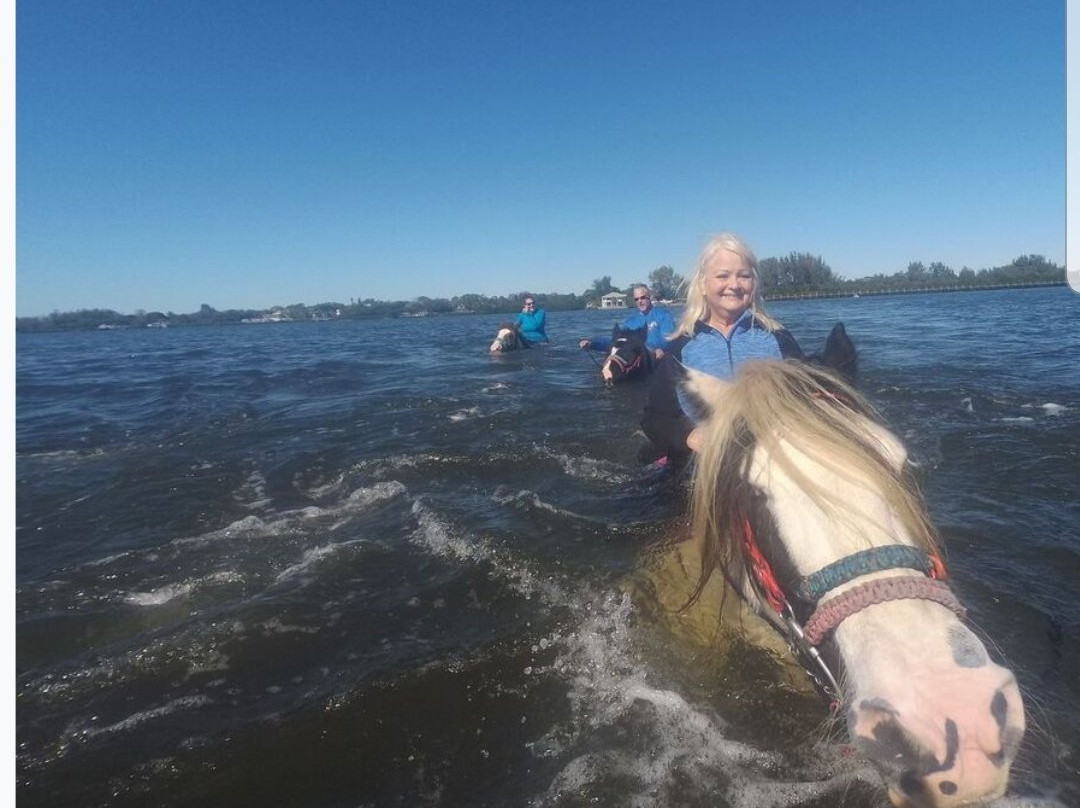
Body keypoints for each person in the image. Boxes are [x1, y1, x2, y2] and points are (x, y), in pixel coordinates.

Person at [640, 233, 803, 463]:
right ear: (703, 285)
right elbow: (653, 419)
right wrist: (688, 436)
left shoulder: (779, 339)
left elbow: (805, 403)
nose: (734, 285)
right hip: (702, 471)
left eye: (744, 276)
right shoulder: (681, 348)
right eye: (723, 276)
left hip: (772, 467)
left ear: (753, 284)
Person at [578, 284, 676, 360]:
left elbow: (668, 338)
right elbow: (616, 342)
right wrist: (592, 344)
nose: (640, 301)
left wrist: (658, 349)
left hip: (657, 358)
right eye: (636, 299)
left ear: (649, 298)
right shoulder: (630, 322)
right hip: (638, 362)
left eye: (643, 297)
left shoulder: (663, 315)